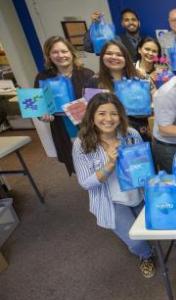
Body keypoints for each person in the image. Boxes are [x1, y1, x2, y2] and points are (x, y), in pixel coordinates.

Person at [72, 92, 155, 278]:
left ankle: (148, 248)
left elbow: (145, 165)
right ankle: (146, 256)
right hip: (112, 201)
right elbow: (86, 183)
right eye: (101, 113)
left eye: (114, 113)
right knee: (135, 240)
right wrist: (109, 164)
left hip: (138, 193)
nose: (108, 119)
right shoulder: (82, 143)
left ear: (121, 116)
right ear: (92, 116)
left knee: (151, 228)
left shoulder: (131, 134)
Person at [34, 36, 95, 176]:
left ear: (71, 52)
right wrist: (42, 115)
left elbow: (97, 104)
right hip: (63, 128)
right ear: (49, 55)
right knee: (78, 164)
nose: (60, 55)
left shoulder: (87, 74)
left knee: (96, 160)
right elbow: (39, 107)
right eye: (55, 52)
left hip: (88, 127)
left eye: (64, 51)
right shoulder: (43, 78)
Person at [85, 40, 154, 141]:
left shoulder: (141, 78)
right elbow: (91, 112)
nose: (114, 57)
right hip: (109, 137)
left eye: (119, 54)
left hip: (140, 133)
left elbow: (155, 102)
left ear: (126, 58)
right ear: (102, 57)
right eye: (109, 53)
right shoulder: (94, 82)